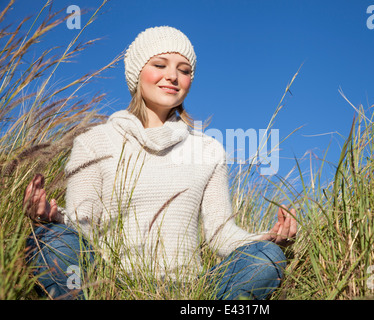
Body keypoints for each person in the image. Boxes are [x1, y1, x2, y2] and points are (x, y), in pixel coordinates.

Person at [23, 26, 297, 300]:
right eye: (159, 64)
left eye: (184, 70)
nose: (173, 76)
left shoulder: (208, 148)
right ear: (137, 73)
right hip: (107, 283)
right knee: (51, 240)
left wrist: (266, 238)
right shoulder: (94, 141)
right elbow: (85, 225)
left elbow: (220, 234)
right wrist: (52, 217)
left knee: (265, 258)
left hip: (191, 291)